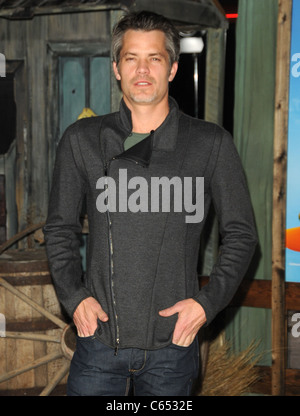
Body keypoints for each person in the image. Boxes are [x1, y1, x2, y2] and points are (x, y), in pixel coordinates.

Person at [44, 11, 257, 396]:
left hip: (172, 350)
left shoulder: (210, 144)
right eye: (131, 58)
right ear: (116, 68)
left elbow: (241, 235)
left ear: (173, 68)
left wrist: (206, 305)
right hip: (98, 344)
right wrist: (75, 299)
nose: (143, 70)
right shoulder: (82, 140)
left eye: (155, 58)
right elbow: (60, 228)